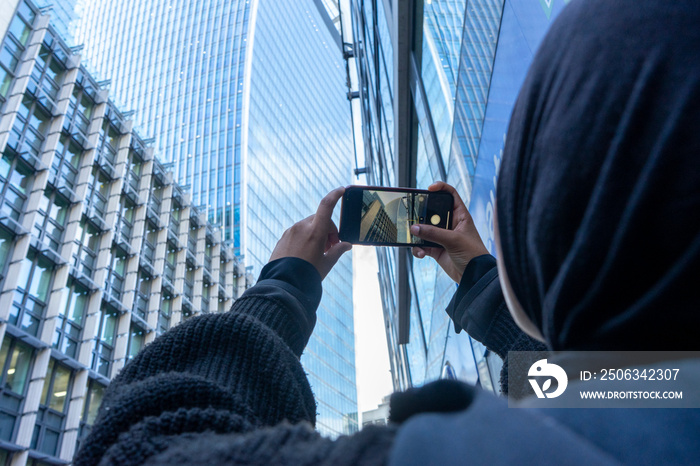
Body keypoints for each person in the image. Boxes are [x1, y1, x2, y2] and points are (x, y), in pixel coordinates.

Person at [75, 0, 700, 464]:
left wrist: (284, 287)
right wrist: (480, 276)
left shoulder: (477, 454)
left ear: (555, 218)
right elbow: (590, 386)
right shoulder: (673, 399)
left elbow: (134, 449)